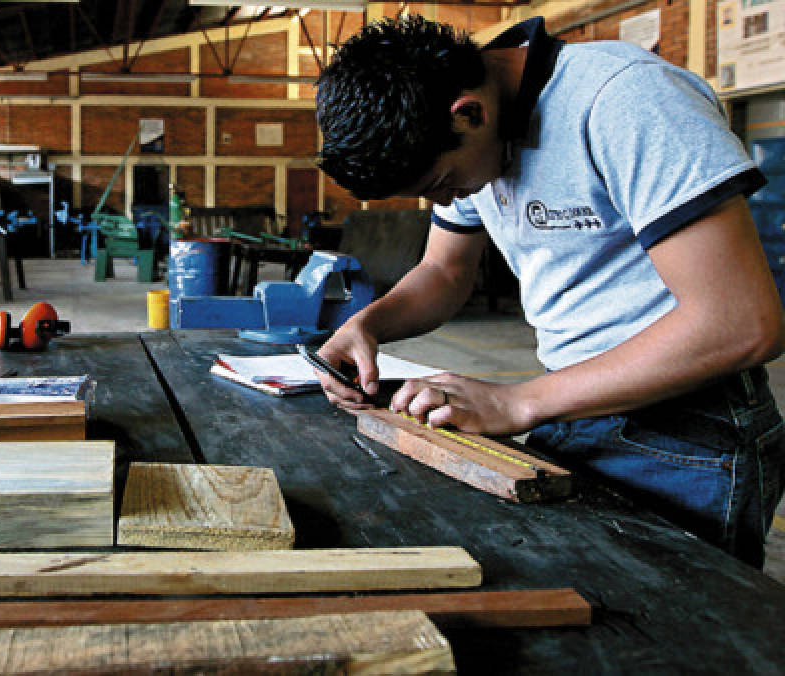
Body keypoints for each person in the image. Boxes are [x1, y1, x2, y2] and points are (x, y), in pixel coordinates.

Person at [314, 15, 785, 567]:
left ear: (467, 113)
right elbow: (443, 272)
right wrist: (366, 325)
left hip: (685, 433)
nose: (450, 200)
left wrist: (517, 401)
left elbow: (740, 323)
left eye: (443, 185)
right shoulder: (471, 138)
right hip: (570, 407)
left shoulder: (626, 99)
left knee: (687, 634)